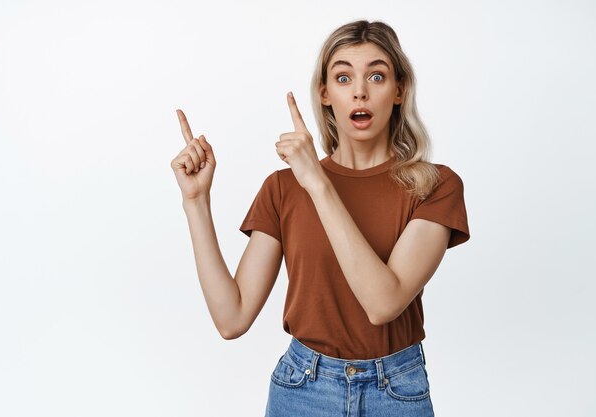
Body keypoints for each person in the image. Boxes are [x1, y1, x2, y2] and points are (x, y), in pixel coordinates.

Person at [171, 19, 469, 417]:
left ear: (399, 90)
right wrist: (196, 201)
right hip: (303, 389)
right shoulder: (283, 188)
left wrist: (318, 183)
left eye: (376, 76)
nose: (360, 91)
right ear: (325, 93)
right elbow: (232, 317)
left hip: (396, 391)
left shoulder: (435, 185)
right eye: (343, 78)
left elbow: (383, 303)